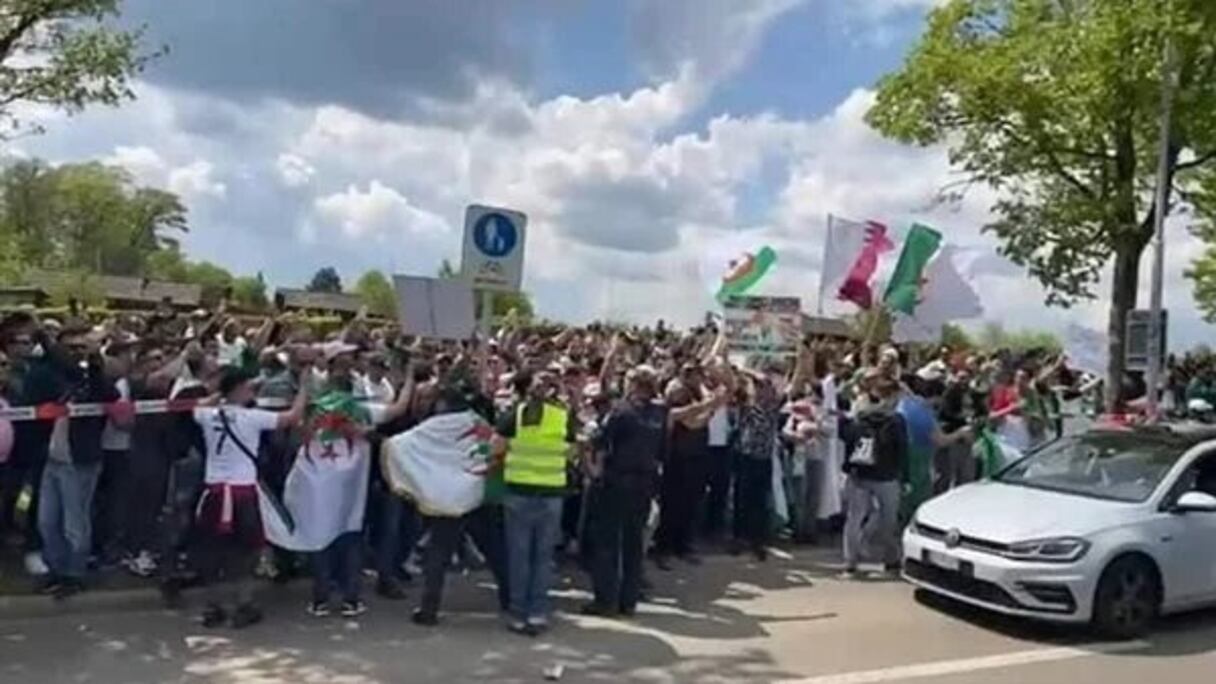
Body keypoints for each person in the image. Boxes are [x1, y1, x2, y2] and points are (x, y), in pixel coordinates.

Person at [192, 363, 309, 629]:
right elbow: (292, 417)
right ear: (239, 389)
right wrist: (304, 387)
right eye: (248, 387)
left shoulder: (207, 415)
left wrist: (219, 395)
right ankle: (244, 604)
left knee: (213, 550)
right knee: (246, 551)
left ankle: (214, 606)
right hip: (242, 492)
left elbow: (197, 406)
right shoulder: (252, 417)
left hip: (213, 491)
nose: (252, 391)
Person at [35, 322, 123, 599]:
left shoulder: (94, 381)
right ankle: (56, 570)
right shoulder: (61, 377)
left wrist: (96, 360)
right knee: (47, 521)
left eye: (80, 348)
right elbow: (53, 357)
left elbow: (110, 395)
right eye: (69, 347)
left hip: (80, 463)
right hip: (53, 459)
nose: (75, 353)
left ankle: (74, 574)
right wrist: (43, 335)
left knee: (75, 523)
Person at [581, 366, 667, 618]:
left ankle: (605, 600)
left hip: (616, 482)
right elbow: (663, 451)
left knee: (607, 543)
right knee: (633, 545)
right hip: (645, 483)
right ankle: (628, 601)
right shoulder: (660, 413)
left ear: (632, 384)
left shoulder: (620, 411)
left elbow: (600, 440)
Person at [499, 371, 570, 635]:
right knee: (543, 558)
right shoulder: (563, 416)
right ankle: (538, 613)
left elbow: (497, 447)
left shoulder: (513, 415)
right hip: (551, 495)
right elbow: (573, 449)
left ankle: (518, 614)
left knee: (519, 557)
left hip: (518, 493)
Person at [840, 376, 907, 579]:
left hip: (859, 473)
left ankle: (850, 563)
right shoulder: (896, 421)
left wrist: (848, 467)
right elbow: (902, 450)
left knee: (854, 518)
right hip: (886, 475)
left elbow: (848, 442)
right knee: (888, 520)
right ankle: (890, 561)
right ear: (893, 396)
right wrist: (906, 477)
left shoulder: (859, 417)